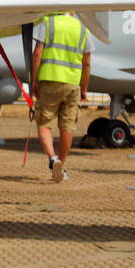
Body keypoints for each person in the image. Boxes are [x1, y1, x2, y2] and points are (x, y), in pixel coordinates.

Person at [31, 12, 93, 182]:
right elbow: (86, 62)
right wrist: (84, 88)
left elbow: (37, 53)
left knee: (44, 123)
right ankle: (61, 165)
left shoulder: (48, 22)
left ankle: (52, 158)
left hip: (49, 80)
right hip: (73, 83)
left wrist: (34, 81)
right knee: (67, 126)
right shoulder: (82, 28)